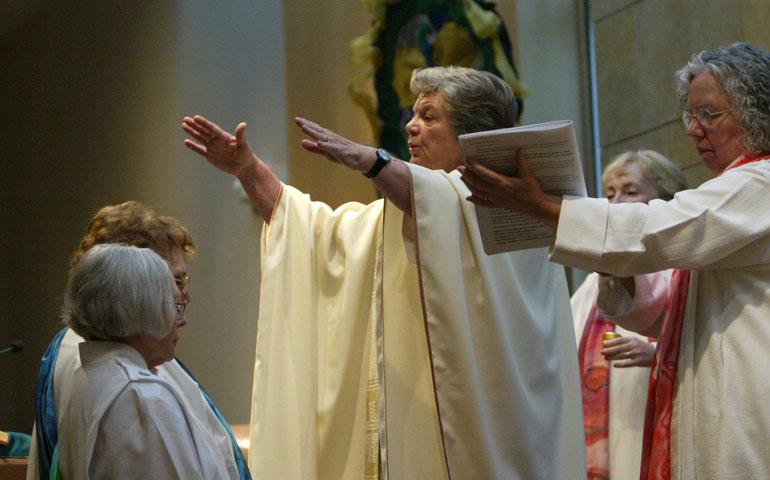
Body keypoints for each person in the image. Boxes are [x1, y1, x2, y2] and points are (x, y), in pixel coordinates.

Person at [182, 66, 586, 479]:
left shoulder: (519, 213)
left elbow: (441, 200)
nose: (411, 126)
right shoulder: (398, 216)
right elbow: (311, 230)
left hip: (501, 439)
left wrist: (373, 161)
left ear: (472, 136)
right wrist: (250, 170)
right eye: (413, 114)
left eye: (429, 117)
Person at [460, 42, 770, 479]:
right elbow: (659, 316)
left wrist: (542, 207)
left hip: (748, 394)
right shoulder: (738, 185)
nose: (693, 130)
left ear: (756, 112)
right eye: (691, 115)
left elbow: (656, 231)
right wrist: (607, 259)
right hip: (718, 388)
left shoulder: (762, 180)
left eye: (710, 115)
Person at [27, 201, 249, 480]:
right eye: (174, 284)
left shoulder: (102, 365)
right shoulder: (139, 394)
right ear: (135, 294)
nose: (183, 302)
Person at [53, 244, 230, 478]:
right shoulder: (143, 397)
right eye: (175, 305)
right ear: (141, 311)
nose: (182, 320)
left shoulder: (90, 377)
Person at [570, 150, 687, 480]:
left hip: (657, 414)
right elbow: (563, 344)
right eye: (609, 193)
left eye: (630, 191)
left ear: (665, 199)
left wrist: (655, 353)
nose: (615, 202)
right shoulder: (597, 280)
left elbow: (708, 343)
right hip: (607, 420)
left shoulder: (685, 268)